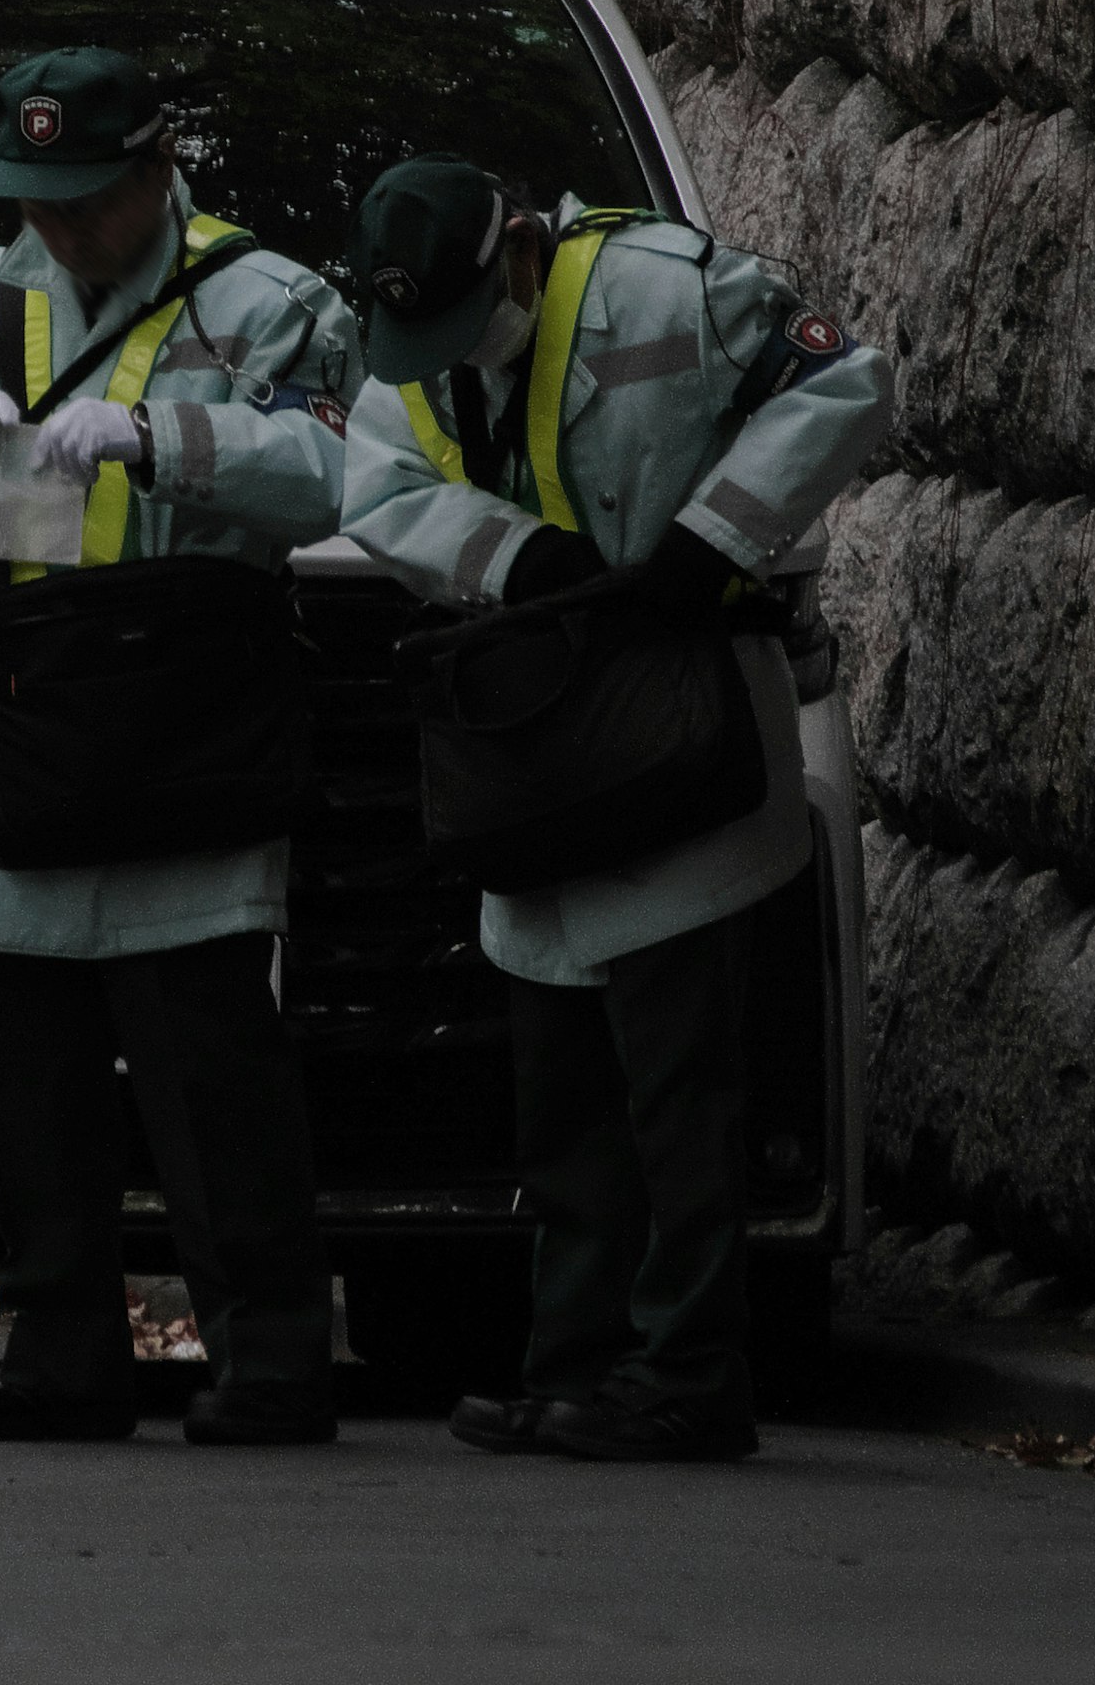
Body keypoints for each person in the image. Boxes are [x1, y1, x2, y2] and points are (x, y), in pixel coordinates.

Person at [0, 47, 358, 1447]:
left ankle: (273, 1360)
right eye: (35, 198)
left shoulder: (270, 303)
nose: (58, 228)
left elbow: (333, 475)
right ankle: (61, 1352)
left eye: (83, 200)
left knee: (212, 1066)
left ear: (155, 169)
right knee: (34, 1069)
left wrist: (164, 438)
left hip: (191, 721)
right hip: (32, 729)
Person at [338, 155, 892, 1463]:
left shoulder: (668, 291)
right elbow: (378, 489)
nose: (452, 353)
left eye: (470, 317)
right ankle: (577, 1364)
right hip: (539, 740)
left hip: (674, 723)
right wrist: (518, 554)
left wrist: (717, 534)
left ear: (516, 251)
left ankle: (690, 1371)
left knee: (678, 1088)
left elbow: (846, 384)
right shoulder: (407, 347)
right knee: (567, 1097)